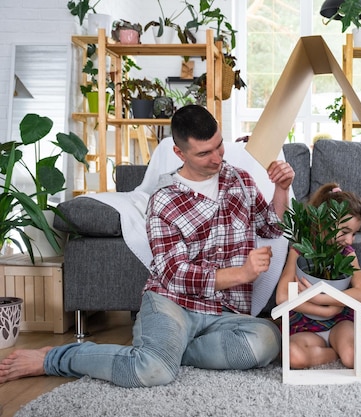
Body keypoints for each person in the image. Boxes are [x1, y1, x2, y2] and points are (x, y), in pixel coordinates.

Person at [0, 104, 295, 387]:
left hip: (226, 310)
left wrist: (281, 188)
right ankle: (55, 358)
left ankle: (170, 350)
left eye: (219, 146)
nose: (218, 159)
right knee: (151, 371)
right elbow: (174, 274)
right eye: (204, 153)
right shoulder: (164, 199)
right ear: (179, 152)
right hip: (174, 302)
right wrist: (241, 274)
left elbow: (270, 226)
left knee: (266, 341)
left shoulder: (239, 180)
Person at [275, 183, 361, 370]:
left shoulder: (347, 253)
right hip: (304, 323)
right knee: (292, 357)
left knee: (357, 359)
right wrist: (325, 310)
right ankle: (334, 353)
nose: (350, 240)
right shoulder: (299, 250)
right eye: (345, 232)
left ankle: (347, 349)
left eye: (354, 234)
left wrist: (321, 298)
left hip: (341, 322)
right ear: (323, 222)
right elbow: (282, 297)